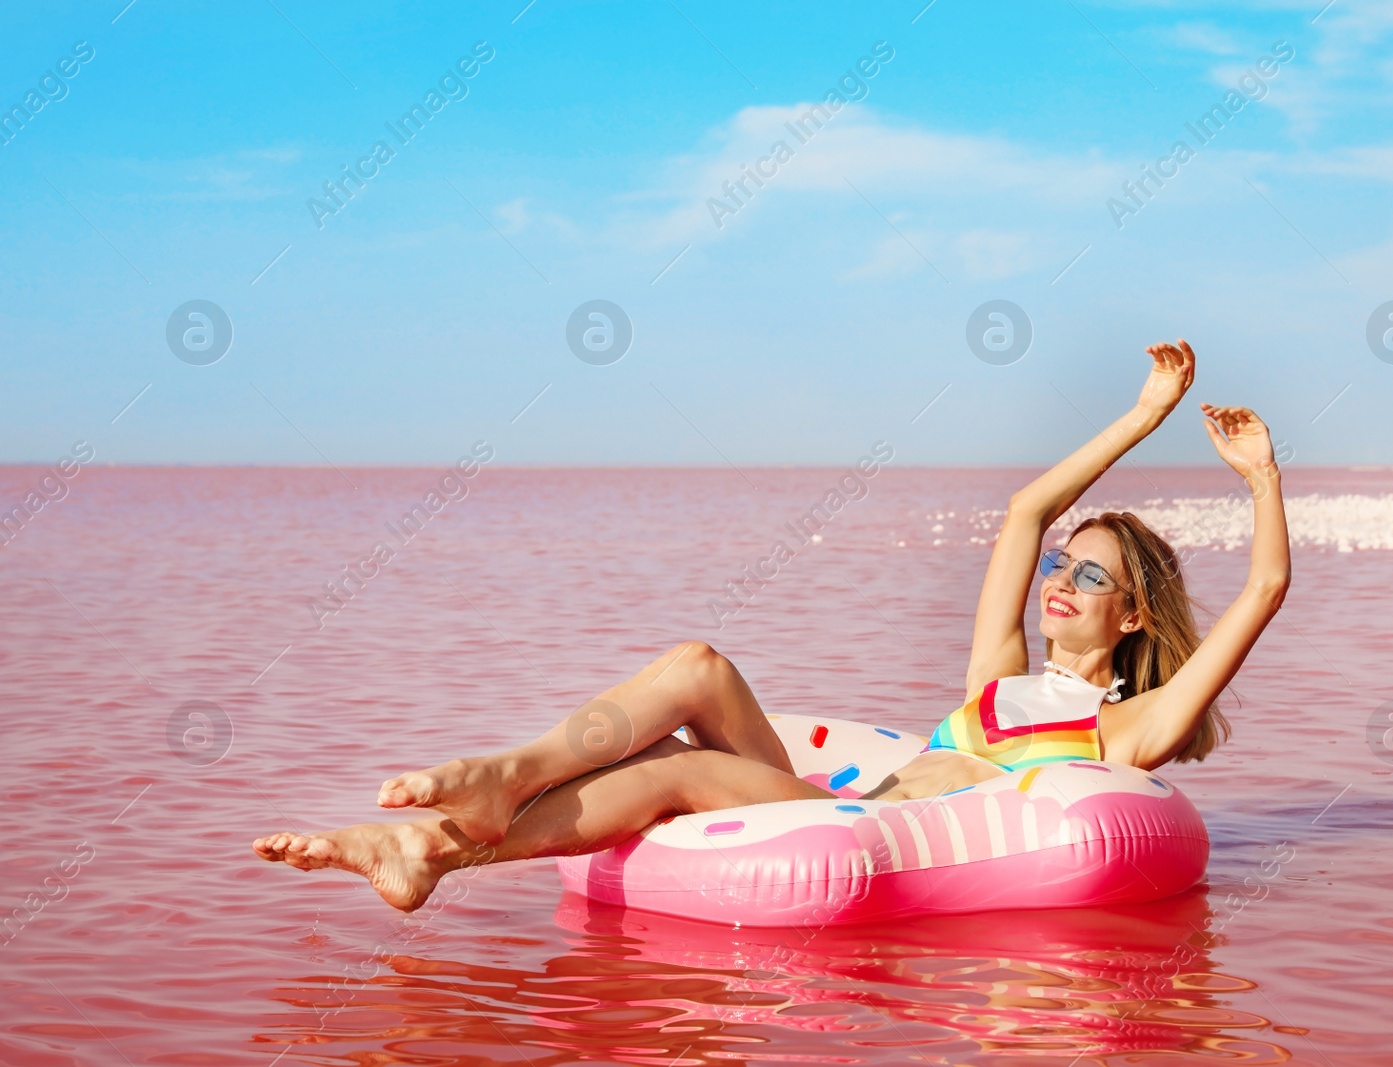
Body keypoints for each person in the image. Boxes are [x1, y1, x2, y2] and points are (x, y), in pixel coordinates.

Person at [253, 340, 1291, 912]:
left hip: (855, 830)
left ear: (1133, 610)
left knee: (665, 770)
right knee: (695, 664)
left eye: (1089, 572)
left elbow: (1260, 596)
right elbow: (1022, 510)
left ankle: (437, 850)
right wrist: (1141, 417)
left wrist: (1262, 480)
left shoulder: (1122, 731)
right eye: (1063, 561)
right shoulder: (996, 669)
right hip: (832, 796)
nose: (1058, 575)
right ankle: (496, 781)